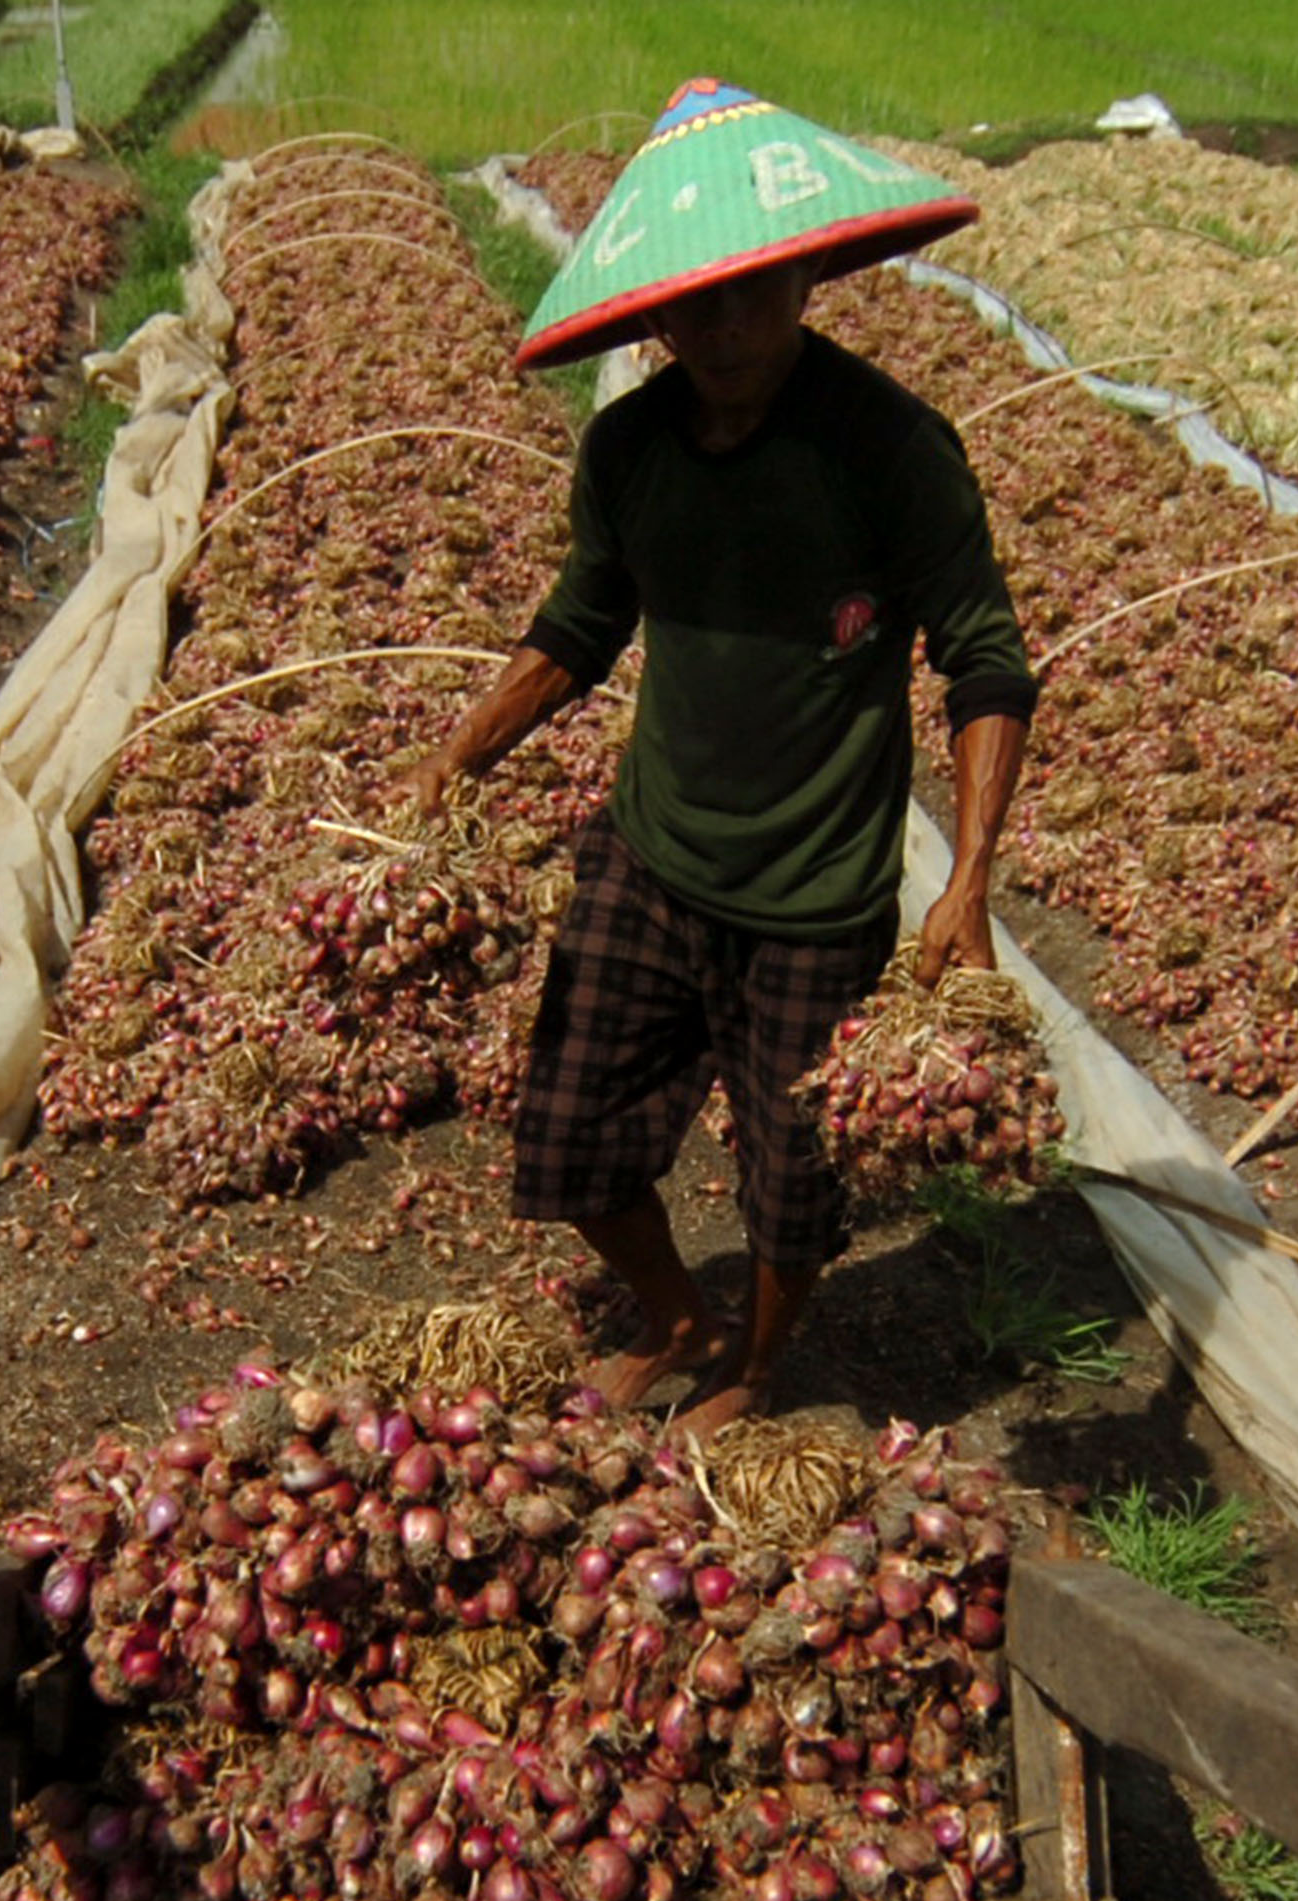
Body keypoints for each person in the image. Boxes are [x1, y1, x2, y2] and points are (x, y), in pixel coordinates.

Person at [394, 78, 1035, 1442]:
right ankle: (674, 1311)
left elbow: (984, 661)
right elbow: (583, 619)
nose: (725, 326)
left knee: (794, 1178)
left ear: (807, 275)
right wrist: (464, 751)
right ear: (654, 310)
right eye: (695, 301)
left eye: (753, 291)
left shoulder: (892, 451)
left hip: (814, 891)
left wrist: (967, 882)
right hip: (652, 851)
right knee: (567, 1137)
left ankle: (756, 1355)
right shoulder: (628, 445)